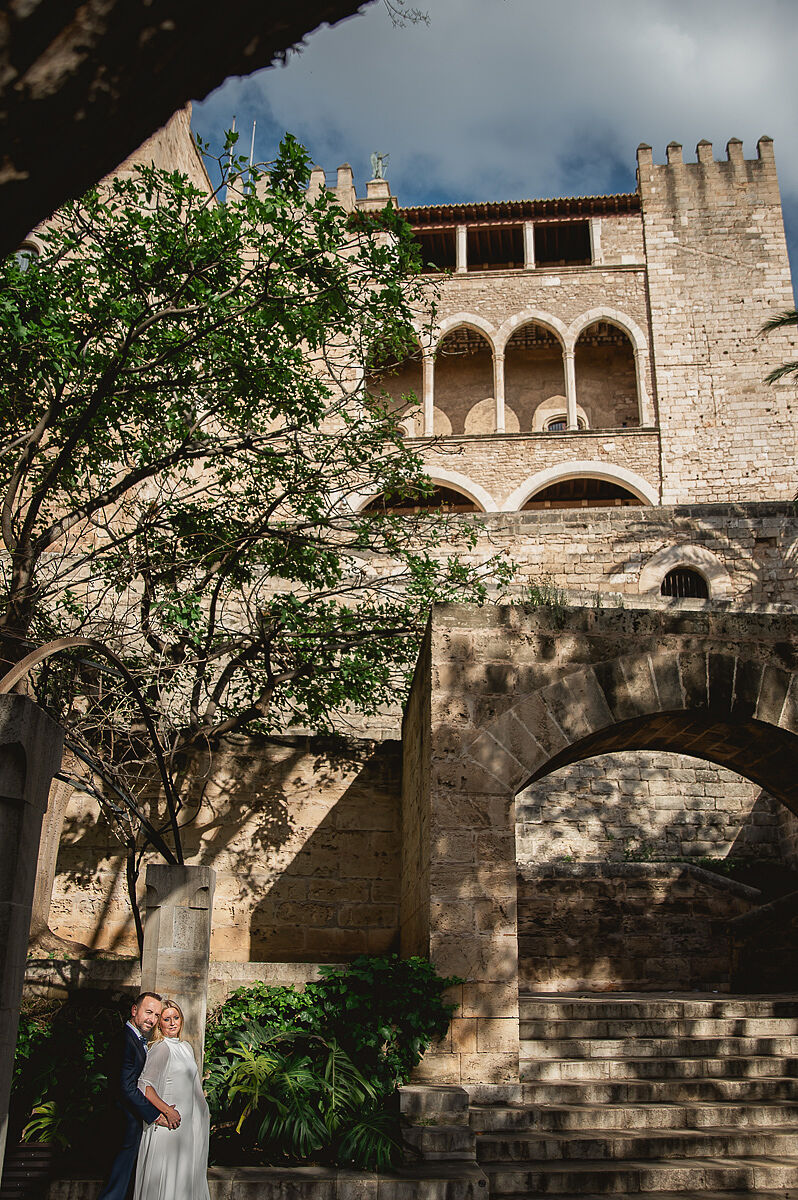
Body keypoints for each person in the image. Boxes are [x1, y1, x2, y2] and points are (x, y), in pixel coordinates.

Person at [98, 992, 181, 1200]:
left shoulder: (136, 1040)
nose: (152, 1019)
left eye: (156, 1015)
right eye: (148, 1012)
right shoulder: (125, 1041)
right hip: (122, 1124)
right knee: (115, 1188)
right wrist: (156, 1114)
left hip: (129, 1124)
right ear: (135, 1011)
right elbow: (126, 1087)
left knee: (123, 1186)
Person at [134, 999, 210, 1200]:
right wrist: (167, 1110)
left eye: (176, 1018)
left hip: (186, 1128)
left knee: (183, 1179)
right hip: (168, 1126)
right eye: (167, 1019)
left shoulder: (185, 1047)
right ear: (160, 1023)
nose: (173, 1023)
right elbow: (145, 1086)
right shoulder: (161, 1047)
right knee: (166, 1179)